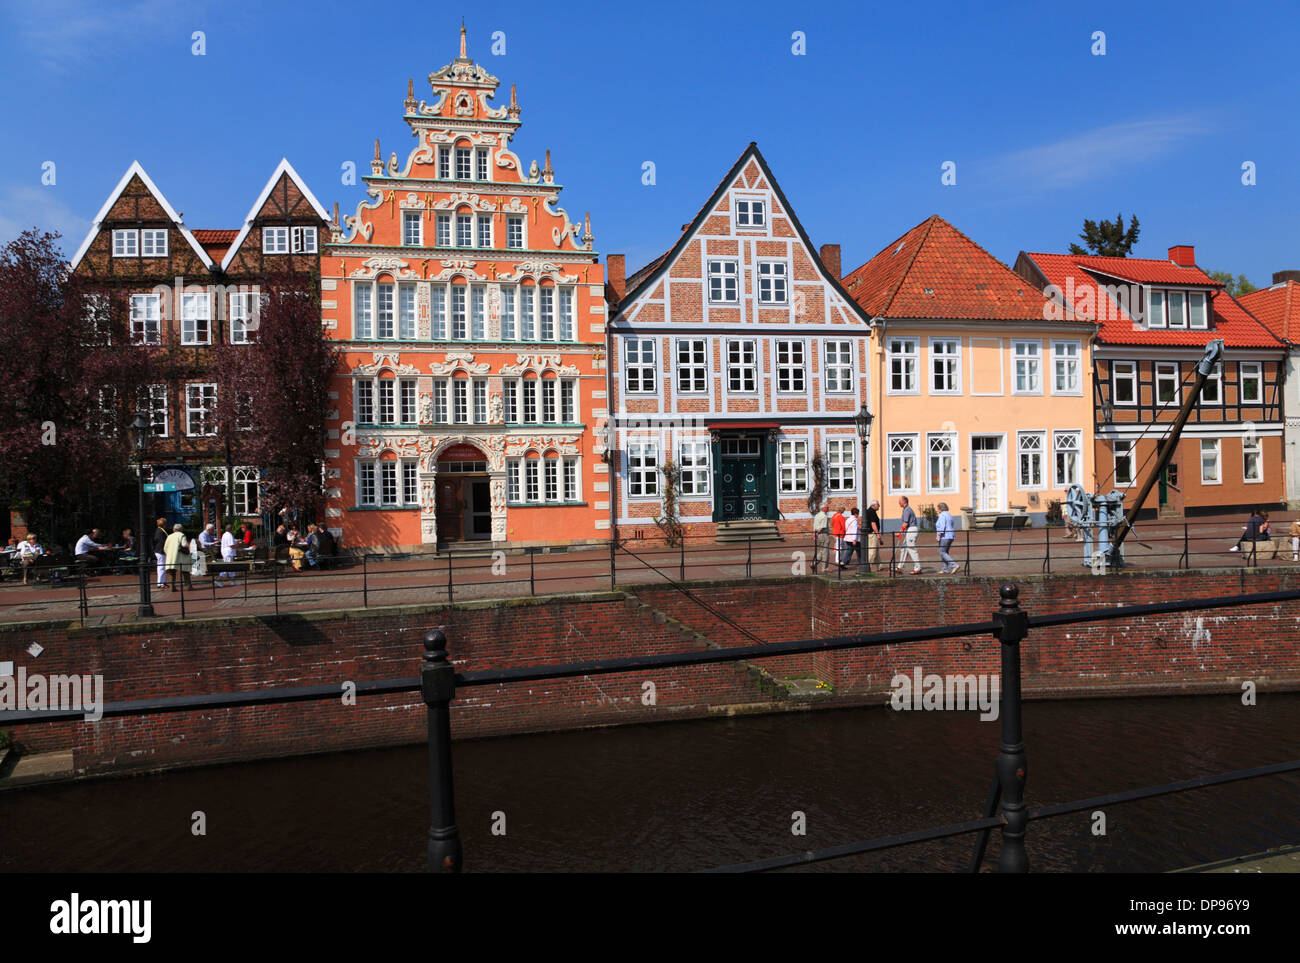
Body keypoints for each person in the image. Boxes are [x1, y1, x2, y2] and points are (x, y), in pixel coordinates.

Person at [163, 523, 193, 591]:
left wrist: (170, 553)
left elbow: (165, 548)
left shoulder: (169, 536)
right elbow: (184, 545)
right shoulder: (182, 535)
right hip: (181, 557)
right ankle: (189, 586)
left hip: (171, 558)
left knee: (172, 573)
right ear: (181, 529)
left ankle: (172, 587)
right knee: (185, 571)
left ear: (174, 529)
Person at [897, 496, 921, 574]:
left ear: (904, 502)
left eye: (900, 501)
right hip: (909, 530)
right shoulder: (905, 510)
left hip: (911, 530)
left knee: (911, 548)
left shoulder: (907, 510)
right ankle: (899, 567)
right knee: (903, 549)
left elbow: (905, 523)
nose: (899, 502)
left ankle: (918, 567)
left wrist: (899, 532)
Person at [936, 502, 957, 574]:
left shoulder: (942, 515)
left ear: (940, 509)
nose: (937, 510)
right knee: (945, 552)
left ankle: (954, 565)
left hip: (945, 536)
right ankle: (945, 569)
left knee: (942, 552)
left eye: (938, 508)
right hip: (951, 536)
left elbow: (942, 526)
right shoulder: (949, 514)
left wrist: (938, 535)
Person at [152, 517, 169, 589]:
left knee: (162, 567)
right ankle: (160, 583)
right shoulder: (161, 532)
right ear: (164, 524)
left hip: (159, 551)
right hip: (160, 551)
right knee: (161, 567)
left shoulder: (159, 530)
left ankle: (162, 582)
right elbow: (162, 542)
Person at [811, 503, 828, 573]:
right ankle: (824, 569)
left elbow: (815, 526)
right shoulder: (824, 516)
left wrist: (814, 534)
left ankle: (814, 563)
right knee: (825, 552)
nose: (828, 508)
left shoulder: (817, 515)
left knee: (821, 551)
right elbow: (821, 527)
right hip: (823, 534)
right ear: (823, 508)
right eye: (827, 507)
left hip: (818, 534)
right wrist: (817, 534)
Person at [864, 500, 882, 566]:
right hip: (872, 533)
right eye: (878, 504)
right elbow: (873, 523)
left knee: (876, 550)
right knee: (872, 551)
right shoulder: (872, 512)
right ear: (873, 505)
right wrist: (877, 534)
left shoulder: (867, 511)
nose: (879, 506)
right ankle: (868, 565)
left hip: (869, 533)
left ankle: (879, 565)